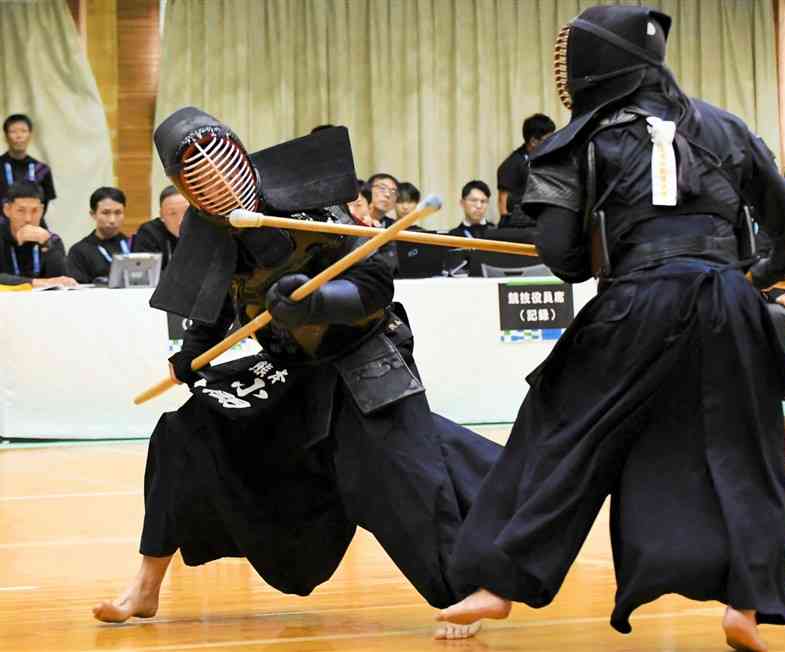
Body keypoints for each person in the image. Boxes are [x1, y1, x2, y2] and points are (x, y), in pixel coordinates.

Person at [438, 7, 785, 652]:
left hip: (635, 300)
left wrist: (607, 249)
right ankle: (748, 600)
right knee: (748, 455)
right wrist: (752, 276)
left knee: (559, 433)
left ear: (591, 69)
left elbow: (562, 256)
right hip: (729, 303)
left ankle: (499, 581)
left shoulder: (579, 140)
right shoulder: (728, 126)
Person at [92, 108, 500, 641]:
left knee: (402, 474)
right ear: (181, 187)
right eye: (194, 172)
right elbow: (209, 309)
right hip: (288, 369)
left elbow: (376, 282)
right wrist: (192, 357)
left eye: (216, 158)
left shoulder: (308, 188)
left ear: (236, 149)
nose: (213, 176)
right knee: (185, 432)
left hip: (361, 356)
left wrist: (318, 303)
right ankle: (145, 586)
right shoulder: (204, 227)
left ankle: (462, 590)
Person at [0, 181, 75, 287]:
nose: (28, 219)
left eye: (35, 211)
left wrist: (46, 244)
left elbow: (62, 280)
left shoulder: (52, 240)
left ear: (42, 210)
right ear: (7, 210)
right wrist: (35, 282)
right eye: (21, 211)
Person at [496, 113, 554, 227]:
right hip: (522, 228)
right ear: (533, 141)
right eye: (548, 139)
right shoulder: (511, 165)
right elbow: (504, 210)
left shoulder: (547, 160)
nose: (552, 143)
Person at [67, 187, 130, 284]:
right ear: (93, 214)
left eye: (118, 213)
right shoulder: (79, 251)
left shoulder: (133, 245)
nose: (112, 220)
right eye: (106, 213)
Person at [0, 114, 56, 211]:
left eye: (23, 131)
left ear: (30, 135)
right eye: (13, 131)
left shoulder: (42, 169)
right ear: (5, 136)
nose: (19, 136)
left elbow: (44, 205)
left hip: (33, 223)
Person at [132, 185, 188, 268]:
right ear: (162, 215)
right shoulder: (149, 233)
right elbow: (147, 274)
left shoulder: (205, 231)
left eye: (186, 212)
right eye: (172, 213)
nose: (181, 221)